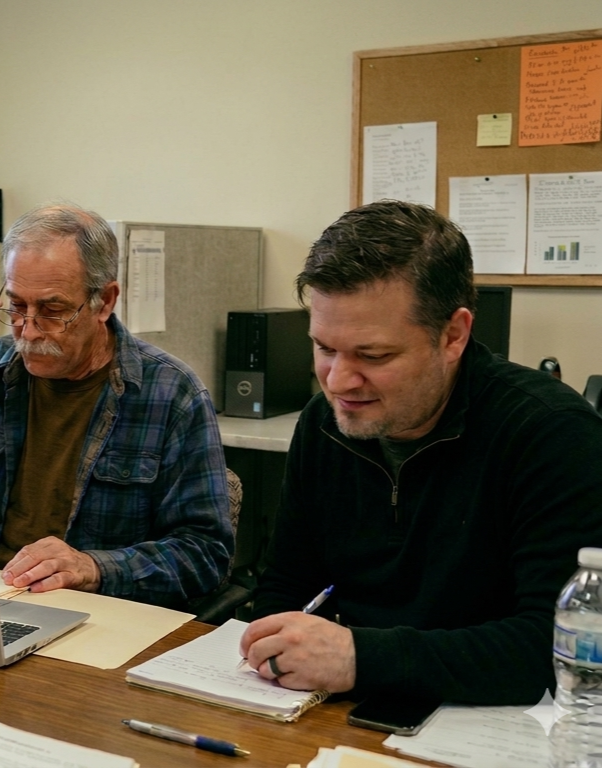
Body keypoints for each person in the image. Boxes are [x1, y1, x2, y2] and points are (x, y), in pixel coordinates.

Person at [239, 200, 602, 705]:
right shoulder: (324, 424)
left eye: (374, 355)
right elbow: (287, 588)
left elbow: (551, 647)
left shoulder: (550, 433)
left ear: (453, 335)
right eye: (324, 348)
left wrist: (358, 658)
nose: (339, 381)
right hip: (345, 708)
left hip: (490, 723)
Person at [0, 202, 233, 609]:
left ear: (105, 301)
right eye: (17, 306)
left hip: (98, 614)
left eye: (52, 310)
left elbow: (205, 555)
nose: (27, 328)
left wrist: (92, 567)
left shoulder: (171, 394)